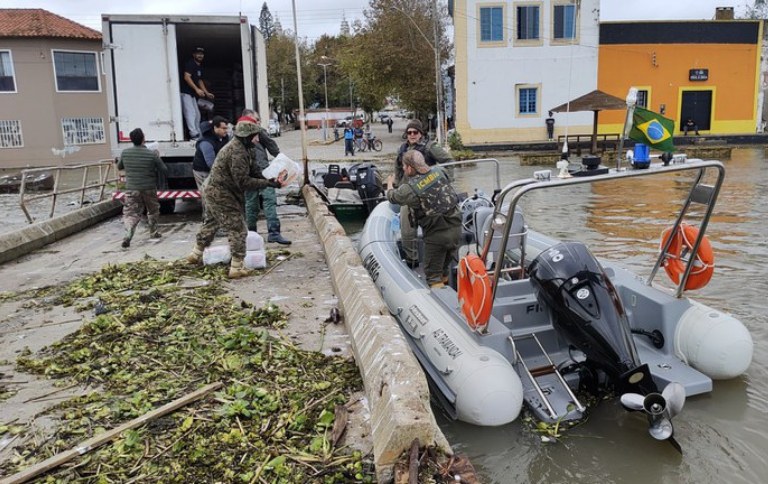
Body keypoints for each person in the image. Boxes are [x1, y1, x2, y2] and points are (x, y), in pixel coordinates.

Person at [185, 118, 287, 278]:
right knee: (237, 228)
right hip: (219, 192)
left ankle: (194, 255)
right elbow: (243, 181)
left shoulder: (249, 149)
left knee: (212, 223)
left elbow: (255, 172)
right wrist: (268, 183)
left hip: (220, 190)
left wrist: (272, 179)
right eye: (255, 136)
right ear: (246, 136)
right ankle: (237, 267)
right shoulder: (236, 151)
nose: (258, 139)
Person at [385, 150, 461, 287]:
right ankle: (447, 288)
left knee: (433, 276)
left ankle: (440, 304)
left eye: (404, 166)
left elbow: (392, 197)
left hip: (436, 236)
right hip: (456, 229)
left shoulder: (410, 188)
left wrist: (389, 183)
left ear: (409, 167)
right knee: (443, 269)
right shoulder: (440, 171)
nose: (403, 168)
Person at [394, 119, 454, 268]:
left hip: (428, 190)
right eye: (409, 132)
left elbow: (448, 161)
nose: (412, 135)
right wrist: (397, 186)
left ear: (421, 134)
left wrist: (445, 179)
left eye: (415, 132)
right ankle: (411, 259)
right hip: (410, 192)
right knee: (407, 223)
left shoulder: (430, 147)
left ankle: (441, 260)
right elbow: (398, 169)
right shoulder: (402, 149)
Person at [240, 109, 292, 245]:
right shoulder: (254, 132)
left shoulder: (241, 133)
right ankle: (263, 233)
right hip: (258, 172)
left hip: (255, 172)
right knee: (260, 202)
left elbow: (273, 148)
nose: (258, 122)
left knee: (257, 203)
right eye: (256, 120)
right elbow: (273, 148)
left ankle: (260, 234)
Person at [117, 128, 168, 248]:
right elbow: (164, 170)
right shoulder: (151, 154)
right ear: (143, 139)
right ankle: (154, 232)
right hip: (149, 187)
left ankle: (129, 234)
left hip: (132, 189)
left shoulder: (125, 153)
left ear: (131, 140)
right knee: (153, 210)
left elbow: (120, 167)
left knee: (131, 213)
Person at [192, 116, 230, 219]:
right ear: (215, 128)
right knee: (209, 196)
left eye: (226, 128)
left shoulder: (224, 137)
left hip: (215, 169)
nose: (226, 130)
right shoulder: (206, 142)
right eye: (223, 128)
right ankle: (208, 221)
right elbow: (211, 163)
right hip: (202, 171)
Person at [180, 47, 215, 140]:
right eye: (198, 53)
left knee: (197, 114)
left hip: (192, 93)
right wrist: (196, 89)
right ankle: (193, 134)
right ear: (193, 55)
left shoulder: (198, 66)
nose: (200, 55)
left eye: (201, 54)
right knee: (191, 113)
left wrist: (206, 93)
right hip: (185, 92)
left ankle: (198, 133)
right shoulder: (190, 64)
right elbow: (187, 77)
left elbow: (199, 80)